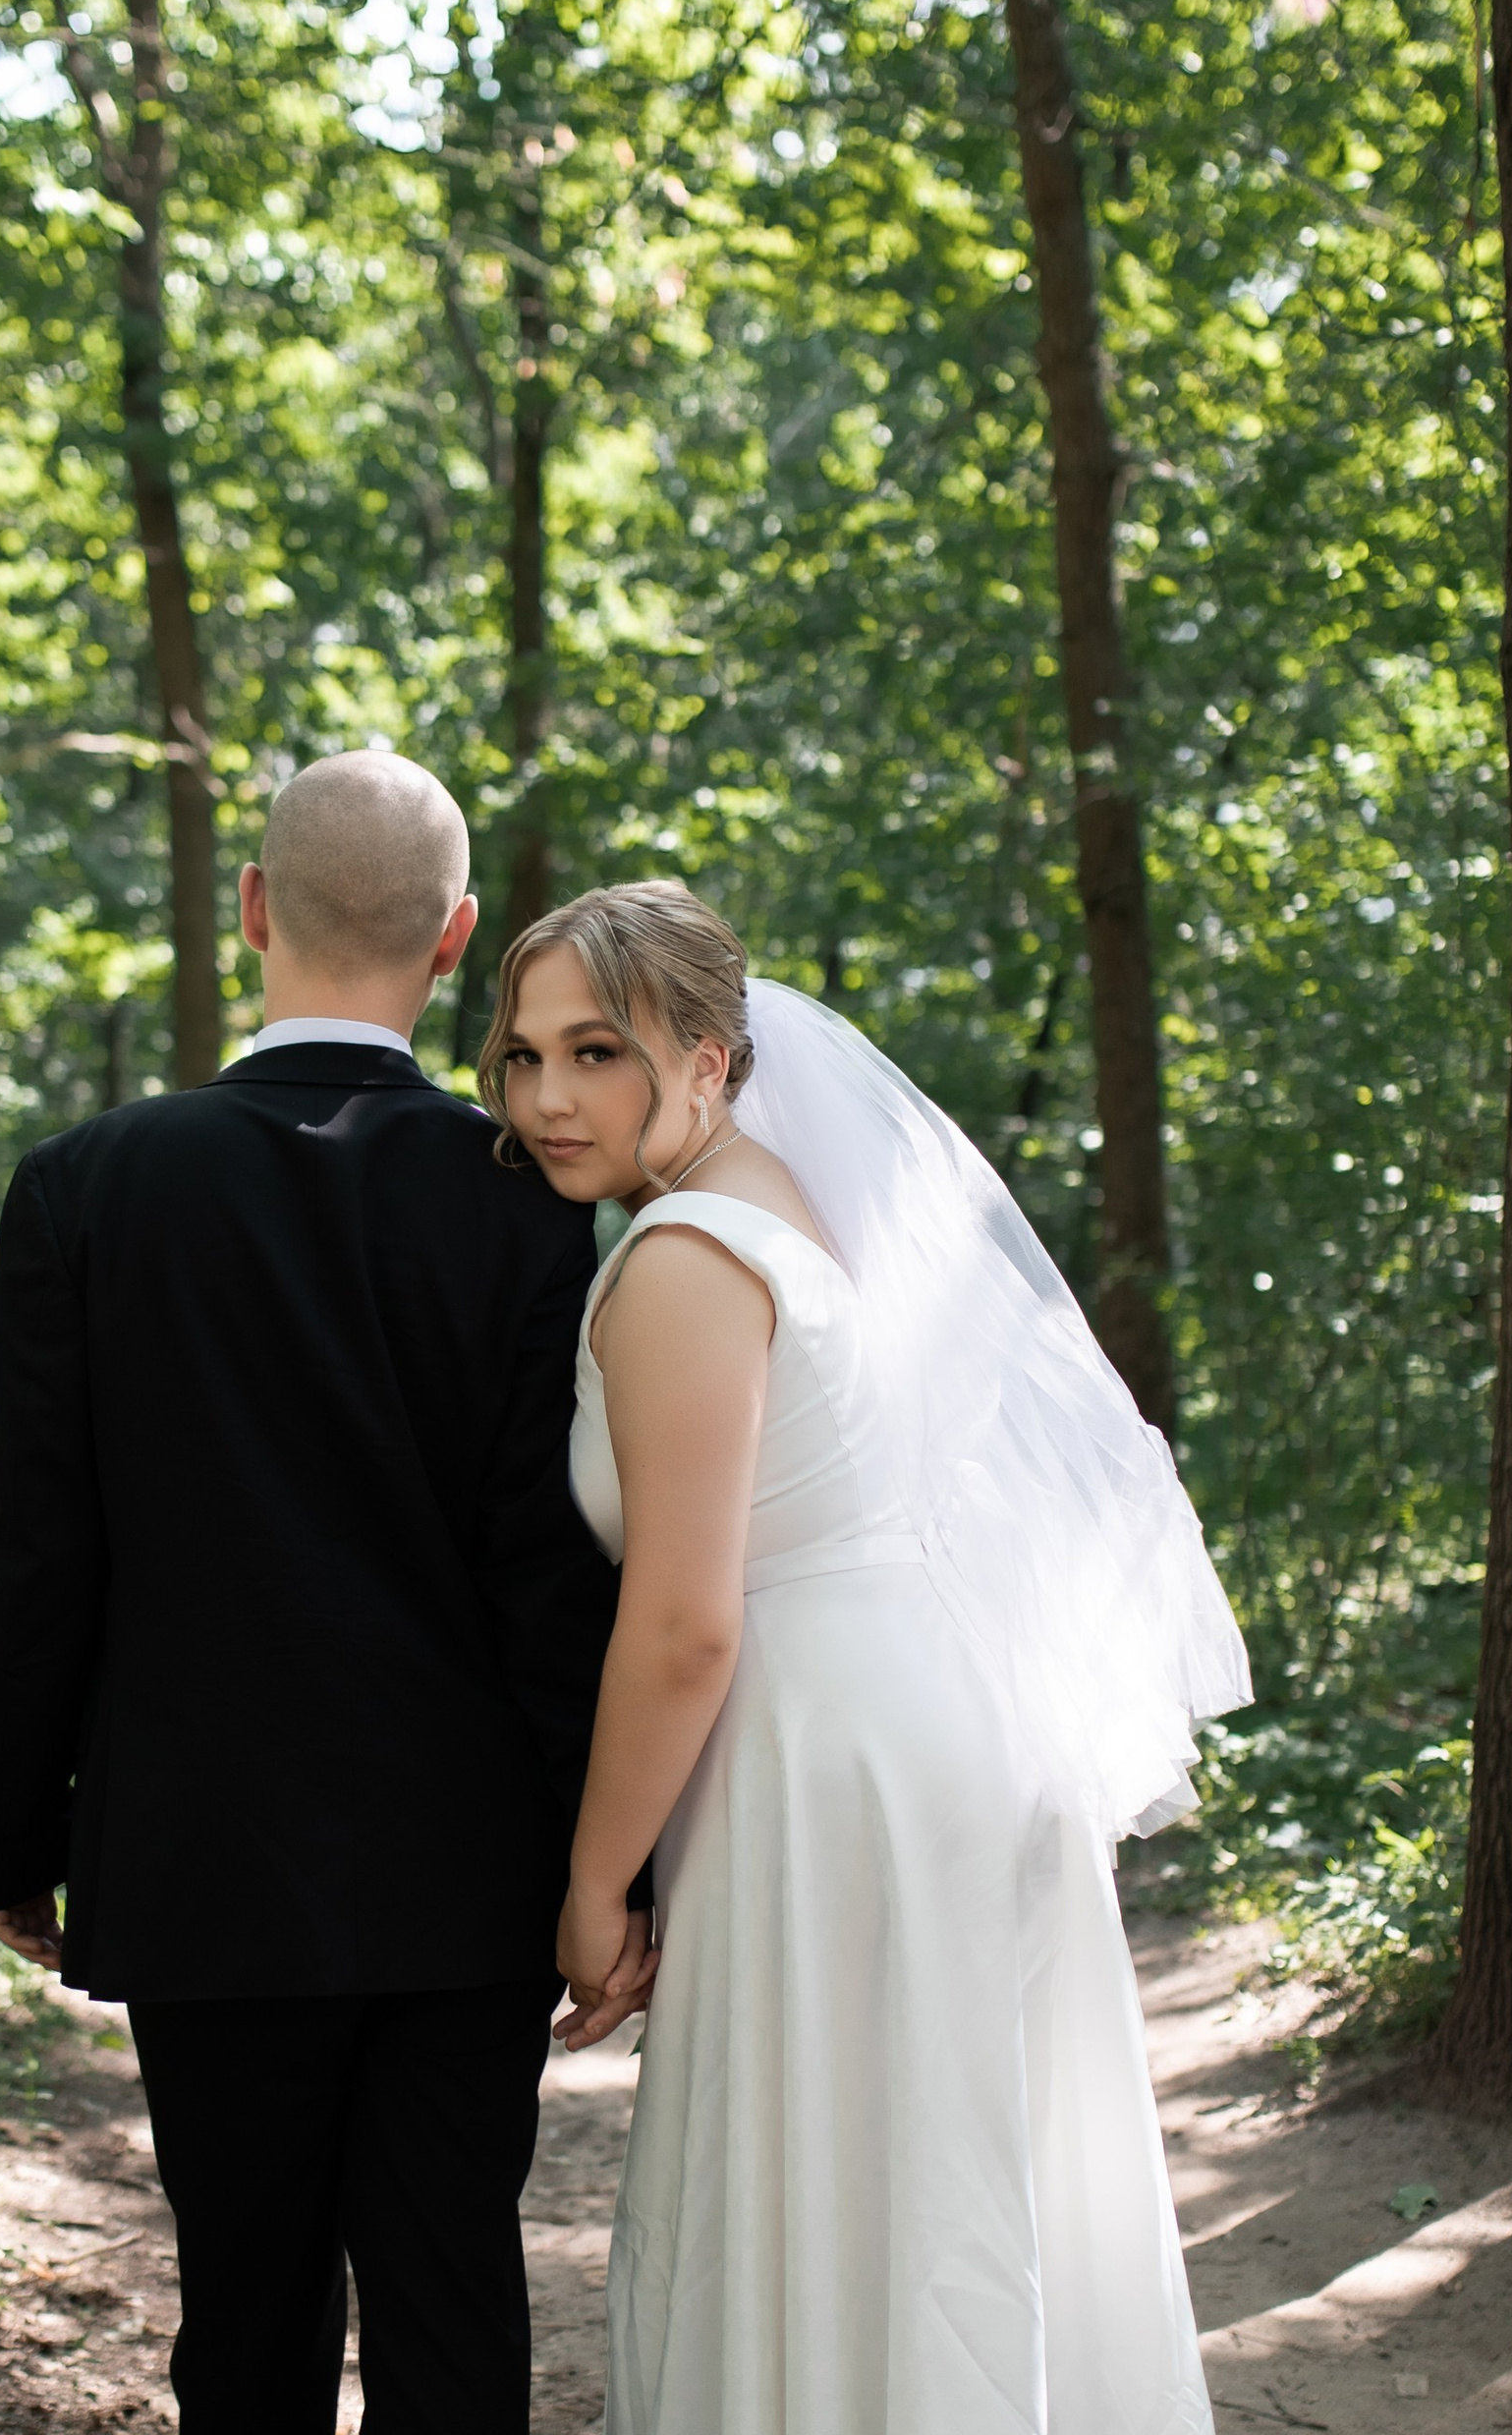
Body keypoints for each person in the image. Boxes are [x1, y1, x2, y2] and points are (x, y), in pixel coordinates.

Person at [489, 880, 1251, 2435]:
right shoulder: (790, 1197)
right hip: (931, 1729)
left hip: (830, 1769)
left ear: (709, 1059)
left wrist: (591, 1883)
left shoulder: (685, 1259)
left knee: (842, 2199)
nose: (551, 1096)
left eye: (600, 1051)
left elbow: (688, 1622)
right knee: (935, 2204)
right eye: (521, 1054)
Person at [0, 752, 648, 2434]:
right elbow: (553, 1573)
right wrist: (599, 1868)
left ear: (254, 910)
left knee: (245, 2323)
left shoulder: (85, 1188)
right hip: (467, 1873)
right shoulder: (529, 1204)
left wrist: (18, 1841)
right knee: (450, 2306)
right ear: (456, 940)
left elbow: (39, 1559)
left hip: (205, 1864)